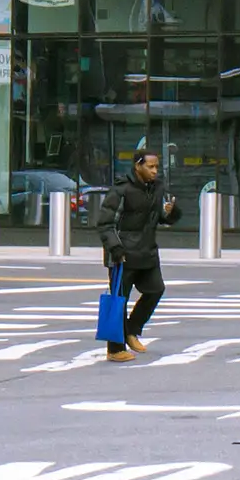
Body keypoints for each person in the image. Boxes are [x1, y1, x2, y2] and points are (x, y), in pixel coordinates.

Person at [100, 149, 178, 355]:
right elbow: (106, 223)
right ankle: (115, 349)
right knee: (119, 301)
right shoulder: (122, 189)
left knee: (156, 289)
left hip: (147, 251)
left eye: (156, 167)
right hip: (123, 254)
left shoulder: (158, 188)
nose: (154, 171)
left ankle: (131, 330)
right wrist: (115, 248)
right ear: (138, 166)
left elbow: (160, 217)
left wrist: (171, 213)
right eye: (150, 167)